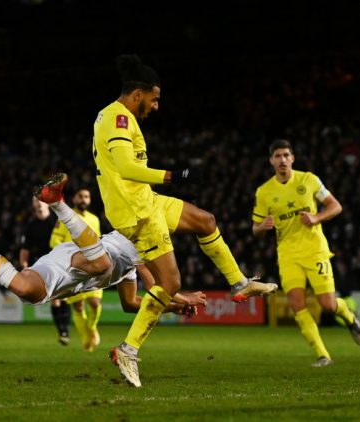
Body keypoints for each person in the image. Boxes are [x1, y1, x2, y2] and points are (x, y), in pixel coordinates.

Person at [92, 53, 278, 387]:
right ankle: (128, 350)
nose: (156, 106)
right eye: (154, 98)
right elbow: (125, 168)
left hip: (146, 201)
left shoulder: (117, 118)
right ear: (138, 94)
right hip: (137, 212)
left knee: (206, 221)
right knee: (171, 284)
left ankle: (240, 283)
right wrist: (174, 175)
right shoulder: (118, 119)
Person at [0, 175, 206, 341]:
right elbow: (158, 286)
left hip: (67, 273)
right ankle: (56, 202)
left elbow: (131, 303)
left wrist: (173, 307)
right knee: (103, 265)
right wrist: (183, 298)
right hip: (83, 258)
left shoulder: (131, 266)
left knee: (24, 290)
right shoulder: (143, 243)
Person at [252, 139, 360, 367]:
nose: (282, 160)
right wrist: (261, 228)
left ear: (292, 158)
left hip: (315, 251)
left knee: (328, 305)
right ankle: (323, 355)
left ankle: (350, 318)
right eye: (278, 156)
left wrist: (317, 217)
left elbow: (335, 206)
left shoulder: (309, 180)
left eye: (286, 155)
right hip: (287, 254)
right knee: (297, 304)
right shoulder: (264, 192)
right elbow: (255, 229)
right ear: (271, 161)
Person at [50, 188, 104, 352]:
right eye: (80, 196)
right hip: (74, 267)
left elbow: (98, 239)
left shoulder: (94, 219)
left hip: (93, 265)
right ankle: (86, 338)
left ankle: (92, 328)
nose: (84, 199)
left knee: (94, 303)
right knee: (79, 306)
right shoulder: (65, 218)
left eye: (87, 196)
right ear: (74, 198)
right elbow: (54, 239)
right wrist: (67, 253)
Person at [18, 195, 72, 345]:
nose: (39, 203)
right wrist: (24, 264)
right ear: (33, 205)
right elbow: (25, 249)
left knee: (63, 297)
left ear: (47, 204)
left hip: (61, 262)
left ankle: (64, 330)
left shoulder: (57, 222)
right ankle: (63, 331)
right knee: (55, 300)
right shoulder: (30, 226)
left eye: (41, 200)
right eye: (36, 201)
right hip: (43, 266)